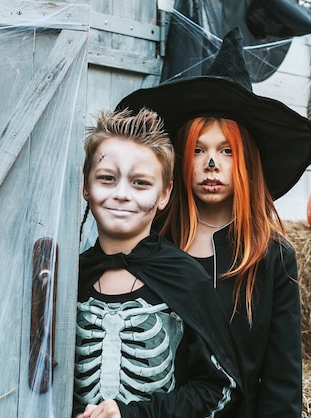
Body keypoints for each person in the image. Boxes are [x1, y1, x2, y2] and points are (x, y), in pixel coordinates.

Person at [116, 28, 311, 417]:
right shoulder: (149, 245)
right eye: (198, 150)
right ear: (178, 160)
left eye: (226, 150)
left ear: (246, 162)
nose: (212, 164)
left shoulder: (271, 257)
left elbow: (282, 380)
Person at [73, 108, 242, 418]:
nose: (122, 194)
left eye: (140, 183)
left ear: (165, 194)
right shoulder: (72, 278)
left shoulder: (185, 279)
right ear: (86, 186)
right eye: (107, 179)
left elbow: (218, 388)